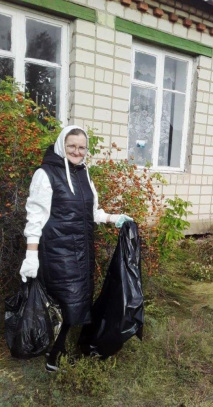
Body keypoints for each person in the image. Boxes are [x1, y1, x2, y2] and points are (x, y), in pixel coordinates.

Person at [19, 125, 133, 372]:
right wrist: (31, 255)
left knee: (75, 301)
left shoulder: (83, 174)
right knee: (66, 302)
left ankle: (54, 351)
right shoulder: (46, 174)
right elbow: (35, 218)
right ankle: (51, 353)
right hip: (57, 252)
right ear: (62, 145)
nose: (77, 151)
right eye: (72, 146)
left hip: (81, 251)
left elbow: (91, 213)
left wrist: (115, 218)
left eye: (82, 147)